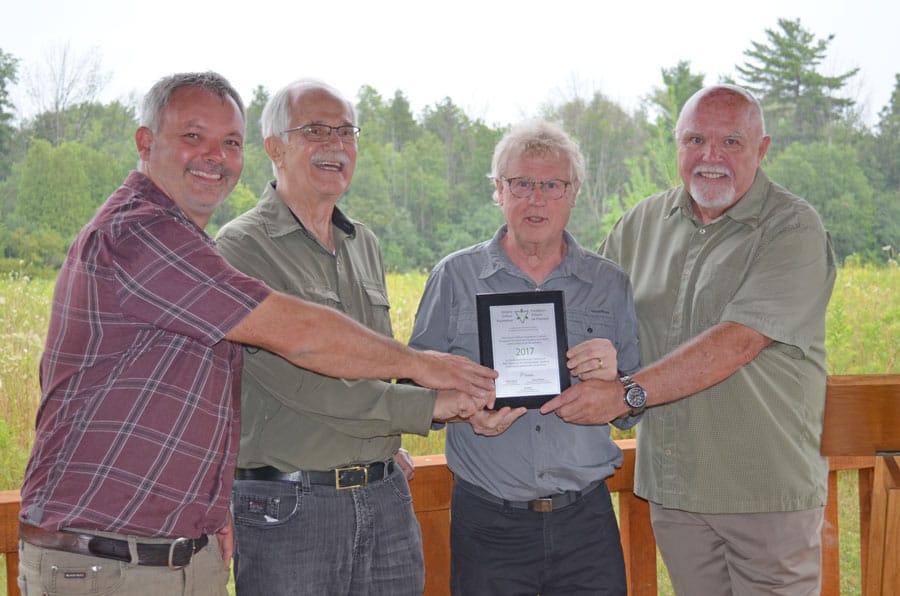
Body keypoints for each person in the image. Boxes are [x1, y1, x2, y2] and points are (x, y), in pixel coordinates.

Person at [17, 72, 496, 596]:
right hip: (108, 558)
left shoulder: (200, 249)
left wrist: (211, 496)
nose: (214, 156)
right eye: (193, 136)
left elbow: (208, 395)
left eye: (228, 142)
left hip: (181, 547)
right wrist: (426, 378)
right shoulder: (139, 234)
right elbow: (298, 342)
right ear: (145, 142)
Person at [544, 84, 837, 594]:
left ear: (762, 148)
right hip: (675, 493)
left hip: (764, 493)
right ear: (676, 144)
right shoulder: (641, 223)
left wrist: (625, 392)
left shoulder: (792, 228)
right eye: (696, 139)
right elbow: (583, 310)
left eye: (731, 142)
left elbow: (737, 341)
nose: (710, 157)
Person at [215, 78, 497, 595]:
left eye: (347, 132)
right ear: (274, 147)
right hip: (293, 510)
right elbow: (301, 383)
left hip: (385, 494)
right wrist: (434, 404)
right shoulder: (240, 248)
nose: (336, 145)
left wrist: (394, 434)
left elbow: (377, 363)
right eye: (316, 130)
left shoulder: (362, 241)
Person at [408, 120, 641, 595]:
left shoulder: (609, 283)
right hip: (488, 522)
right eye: (522, 184)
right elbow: (413, 388)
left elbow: (638, 401)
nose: (537, 198)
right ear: (499, 190)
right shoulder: (455, 277)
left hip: (586, 523)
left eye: (552, 184)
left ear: (574, 192)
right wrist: (464, 408)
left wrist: (618, 384)